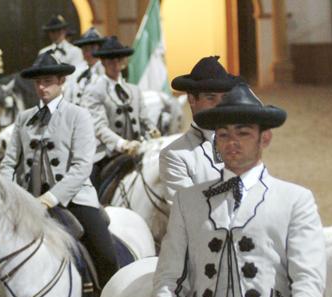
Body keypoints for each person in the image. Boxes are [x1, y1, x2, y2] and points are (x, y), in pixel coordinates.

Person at [153, 83, 326, 297]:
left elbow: (308, 280)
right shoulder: (187, 201)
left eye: (243, 133)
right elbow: (169, 279)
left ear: (264, 138)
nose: (232, 143)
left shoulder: (295, 200)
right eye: (223, 135)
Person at [0, 52, 118, 288]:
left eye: (48, 81)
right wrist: (9, 193)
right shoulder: (24, 119)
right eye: (38, 82)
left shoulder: (78, 115)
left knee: (106, 257)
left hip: (73, 199)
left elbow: (82, 166)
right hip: (29, 200)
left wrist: (51, 198)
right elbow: (9, 163)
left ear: (61, 82)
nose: (42, 87)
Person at [159, 56, 240, 201]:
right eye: (211, 98)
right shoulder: (175, 156)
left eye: (224, 98)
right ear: (191, 100)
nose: (219, 106)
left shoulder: (242, 143)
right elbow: (189, 211)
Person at [81, 36, 160, 180]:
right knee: (89, 190)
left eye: (119, 61)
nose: (116, 66)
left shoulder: (134, 90)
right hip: (107, 154)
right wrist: (122, 144)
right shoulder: (94, 91)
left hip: (137, 150)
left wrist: (152, 130)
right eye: (111, 61)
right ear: (103, 63)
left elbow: (144, 119)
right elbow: (99, 127)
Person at [64, 27, 106, 105]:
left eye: (93, 48)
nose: (88, 53)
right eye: (85, 49)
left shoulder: (105, 70)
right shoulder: (76, 71)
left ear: (100, 49)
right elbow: (68, 96)